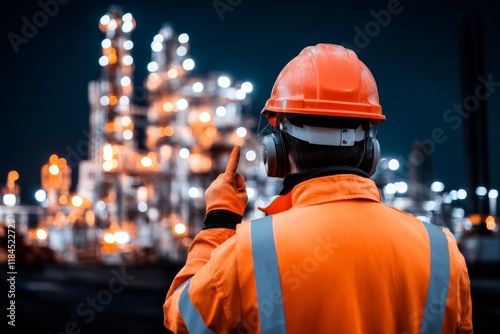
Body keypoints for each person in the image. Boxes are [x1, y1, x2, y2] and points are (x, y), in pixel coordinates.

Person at [163, 43, 473, 333]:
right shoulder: (441, 253)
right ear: (370, 151)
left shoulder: (251, 251)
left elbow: (183, 319)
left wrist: (219, 220)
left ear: (277, 151)